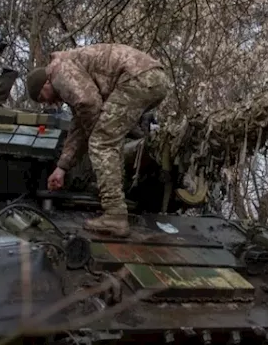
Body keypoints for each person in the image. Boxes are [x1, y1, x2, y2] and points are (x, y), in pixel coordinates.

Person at [25, 43, 171, 235]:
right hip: (152, 78)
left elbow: (88, 103)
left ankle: (115, 214)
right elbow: (79, 125)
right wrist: (62, 167)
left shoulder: (59, 70)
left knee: (101, 142)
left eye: (43, 98)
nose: (50, 103)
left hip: (137, 78)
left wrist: (97, 136)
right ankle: (117, 203)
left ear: (45, 84)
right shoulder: (71, 71)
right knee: (107, 139)